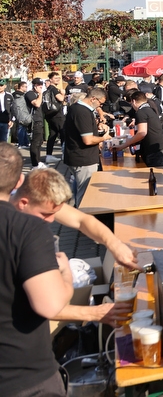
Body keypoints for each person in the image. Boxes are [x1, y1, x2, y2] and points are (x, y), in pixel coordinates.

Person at [11, 166, 135, 326]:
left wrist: (114, 244)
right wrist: (95, 312)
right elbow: (46, 305)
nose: (50, 220)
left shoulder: (32, 204)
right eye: (45, 214)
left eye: (54, 214)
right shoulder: (18, 236)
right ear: (23, 203)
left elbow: (82, 220)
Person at [0, 142, 74, 397]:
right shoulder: (27, 228)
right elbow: (50, 305)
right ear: (19, 180)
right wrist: (66, 277)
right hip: (24, 377)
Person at [62, 86, 112, 204]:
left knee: (79, 189)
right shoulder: (82, 112)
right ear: (93, 99)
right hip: (83, 159)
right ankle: (82, 219)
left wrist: (96, 128)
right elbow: (88, 140)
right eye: (100, 103)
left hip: (77, 156)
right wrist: (103, 138)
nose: (100, 106)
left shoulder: (76, 108)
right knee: (85, 196)